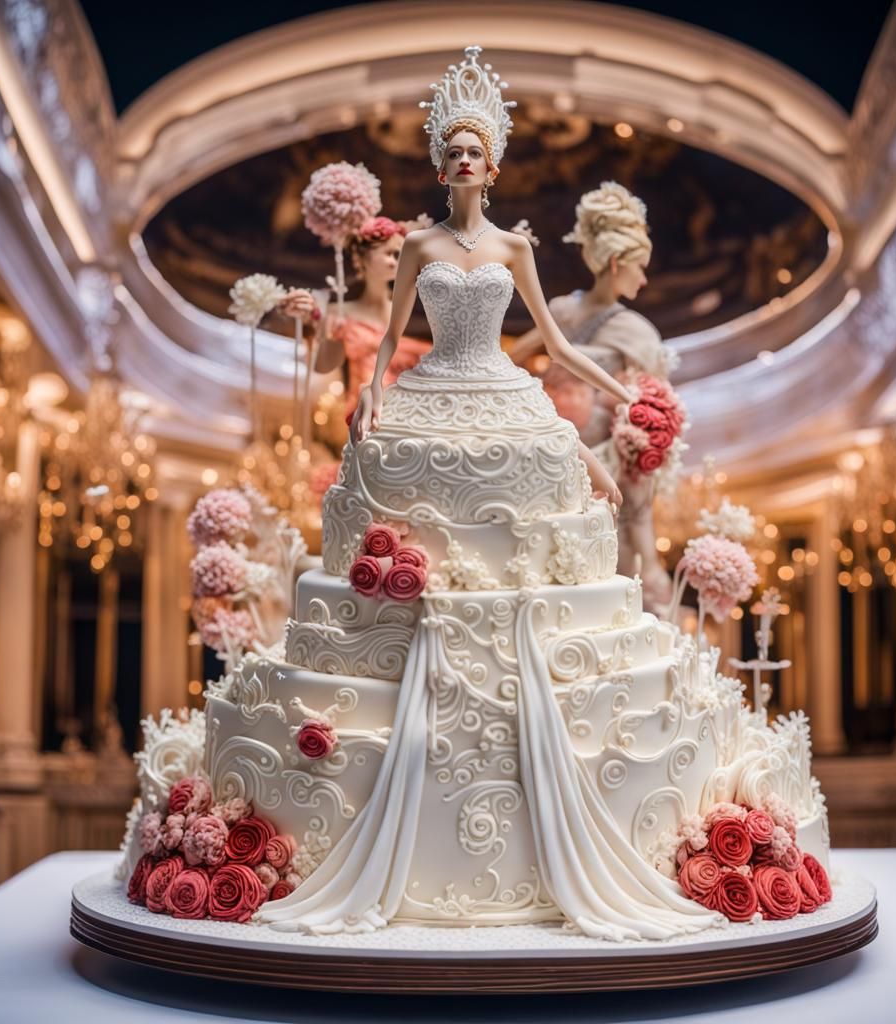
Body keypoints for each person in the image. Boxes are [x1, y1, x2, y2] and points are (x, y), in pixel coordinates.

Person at [256, 45, 719, 942]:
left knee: (557, 482)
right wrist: (368, 400)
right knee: (402, 483)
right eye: (453, 150)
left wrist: (627, 395)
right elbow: (392, 342)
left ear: (495, 163)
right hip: (435, 391)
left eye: (478, 150)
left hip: (503, 388)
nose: (466, 162)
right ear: (440, 162)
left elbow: (549, 338)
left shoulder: (513, 246)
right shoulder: (423, 244)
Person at [511, 182, 678, 606]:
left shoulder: (621, 326)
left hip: (601, 450)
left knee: (614, 541)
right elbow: (517, 353)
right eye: (640, 266)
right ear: (617, 261)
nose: (643, 277)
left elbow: (651, 400)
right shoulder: (578, 314)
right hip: (564, 446)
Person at [279, 216, 429, 416]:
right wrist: (318, 324)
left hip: (410, 414)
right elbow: (324, 365)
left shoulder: (411, 312)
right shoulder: (338, 313)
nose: (398, 261)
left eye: (401, 255)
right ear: (363, 257)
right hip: (364, 415)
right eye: (391, 253)